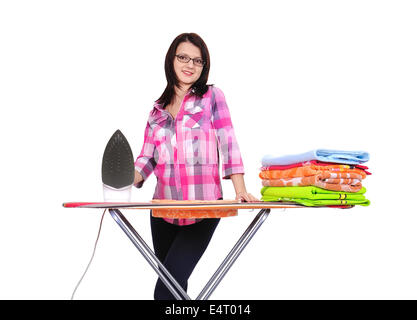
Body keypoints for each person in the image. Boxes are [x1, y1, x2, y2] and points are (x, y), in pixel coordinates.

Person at [133, 32, 258, 300]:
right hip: (162, 211)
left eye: (197, 61)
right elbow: (146, 158)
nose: (190, 65)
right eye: (183, 57)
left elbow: (228, 141)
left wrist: (241, 190)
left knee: (164, 292)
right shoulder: (157, 110)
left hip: (203, 208)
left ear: (204, 66)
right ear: (171, 60)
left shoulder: (212, 97)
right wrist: (122, 178)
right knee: (177, 290)